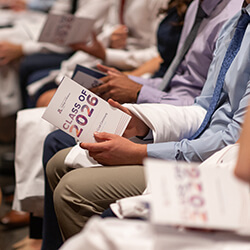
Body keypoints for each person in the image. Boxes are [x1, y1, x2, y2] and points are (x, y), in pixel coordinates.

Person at [45, 0, 250, 241]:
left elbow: (230, 141)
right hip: (198, 137)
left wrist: (140, 151)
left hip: (221, 165)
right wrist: (143, 122)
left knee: (71, 188)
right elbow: (205, 107)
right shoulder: (237, 21)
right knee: (58, 160)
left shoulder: (230, 15)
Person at [23, 0, 166, 108]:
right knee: (42, 92)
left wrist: (106, 53)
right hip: (111, 58)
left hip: (135, 67)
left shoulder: (159, 3)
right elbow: (108, 26)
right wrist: (111, 37)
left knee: (49, 99)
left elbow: (159, 55)